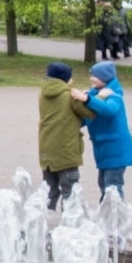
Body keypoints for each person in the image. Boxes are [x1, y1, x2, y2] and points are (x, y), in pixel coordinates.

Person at [37, 62, 91, 210]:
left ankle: (38, 218)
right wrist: (90, 98)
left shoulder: (42, 94)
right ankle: (69, 221)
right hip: (66, 151)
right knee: (70, 192)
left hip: (47, 149)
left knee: (49, 191)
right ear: (65, 78)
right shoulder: (69, 95)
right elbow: (89, 113)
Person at [82, 60, 132, 200]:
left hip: (116, 150)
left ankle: (116, 213)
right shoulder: (95, 95)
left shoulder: (114, 95)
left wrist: (89, 100)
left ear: (105, 77)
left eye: (95, 76)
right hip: (104, 150)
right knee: (103, 184)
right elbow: (86, 118)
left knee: (112, 187)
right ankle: (107, 212)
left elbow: (109, 110)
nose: (91, 78)